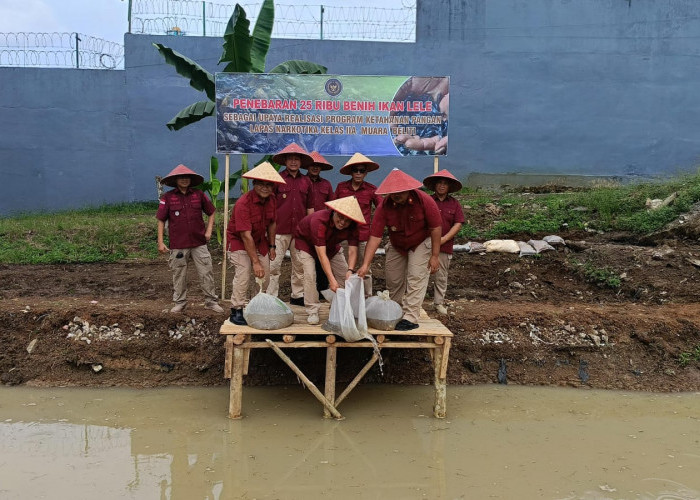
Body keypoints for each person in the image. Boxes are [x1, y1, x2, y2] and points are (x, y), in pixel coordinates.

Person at [357, 168, 442, 331]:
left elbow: (436, 228)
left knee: (416, 277)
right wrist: (365, 264)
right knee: (393, 279)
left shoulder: (424, 200)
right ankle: (394, 311)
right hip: (397, 244)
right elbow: (375, 236)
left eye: (400, 192)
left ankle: (410, 316)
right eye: (393, 192)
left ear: (409, 189)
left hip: (420, 242)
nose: (396, 195)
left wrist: (435, 255)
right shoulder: (384, 207)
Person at [156, 164, 224, 314]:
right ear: (175, 180)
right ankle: (180, 302)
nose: (184, 179)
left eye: (187, 177)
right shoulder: (168, 198)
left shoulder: (198, 195)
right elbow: (161, 219)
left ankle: (211, 302)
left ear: (191, 180)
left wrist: (209, 231)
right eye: (181, 177)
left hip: (199, 242)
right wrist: (160, 242)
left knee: (206, 271)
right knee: (179, 273)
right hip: (178, 244)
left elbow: (211, 212)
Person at [226, 162, 285, 325]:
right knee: (244, 273)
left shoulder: (272, 199)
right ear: (254, 184)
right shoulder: (243, 204)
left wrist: (272, 246)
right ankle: (236, 309)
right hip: (239, 241)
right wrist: (255, 262)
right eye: (261, 184)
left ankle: (254, 305)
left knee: (265, 275)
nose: (265, 188)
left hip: (260, 241)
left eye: (269, 184)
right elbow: (245, 235)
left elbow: (272, 222)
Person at [292, 196, 365, 325]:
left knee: (345, 276)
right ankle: (312, 310)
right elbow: (321, 255)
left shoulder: (354, 227)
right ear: (334, 212)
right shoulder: (319, 220)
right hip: (306, 244)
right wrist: (331, 280)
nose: (342, 222)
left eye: (347, 221)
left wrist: (350, 270)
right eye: (340, 217)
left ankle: (338, 306)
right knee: (310, 275)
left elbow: (353, 251)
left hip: (331, 245)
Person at [266, 142, 314, 305]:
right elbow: (270, 205)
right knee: (274, 265)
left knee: (299, 265)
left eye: (296, 159)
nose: (293, 162)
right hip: (279, 230)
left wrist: (310, 230)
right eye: (290, 159)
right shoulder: (277, 180)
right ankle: (271, 296)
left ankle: (297, 295)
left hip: (300, 231)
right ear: (285, 161)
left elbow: (310, 207)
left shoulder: (306, 182)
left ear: (301, 162)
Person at [334, 152, 382, 296]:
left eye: (362, 170)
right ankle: (343, 297)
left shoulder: (372, 190)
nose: (358, 173)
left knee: (364, 268)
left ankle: (366, 298)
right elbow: (332, 209)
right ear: (351, 172)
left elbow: (382, 209)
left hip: (362, 235)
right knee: (343, 267)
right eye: (356, 170)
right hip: (342, 235)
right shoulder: (341, 187)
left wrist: (374, 228)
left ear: (366, 173)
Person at [423, 169, 465, 315]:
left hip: (444, 245)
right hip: (425, 244)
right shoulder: (427, 201)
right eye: (439, 183)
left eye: (445, 184)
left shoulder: (454, 204)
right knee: (420, 274)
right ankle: (417, 303)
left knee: (441, 276)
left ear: (449, 187)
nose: (441, 186)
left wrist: (444, 239)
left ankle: (438, 303)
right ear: (434, 185)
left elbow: (458, 223)